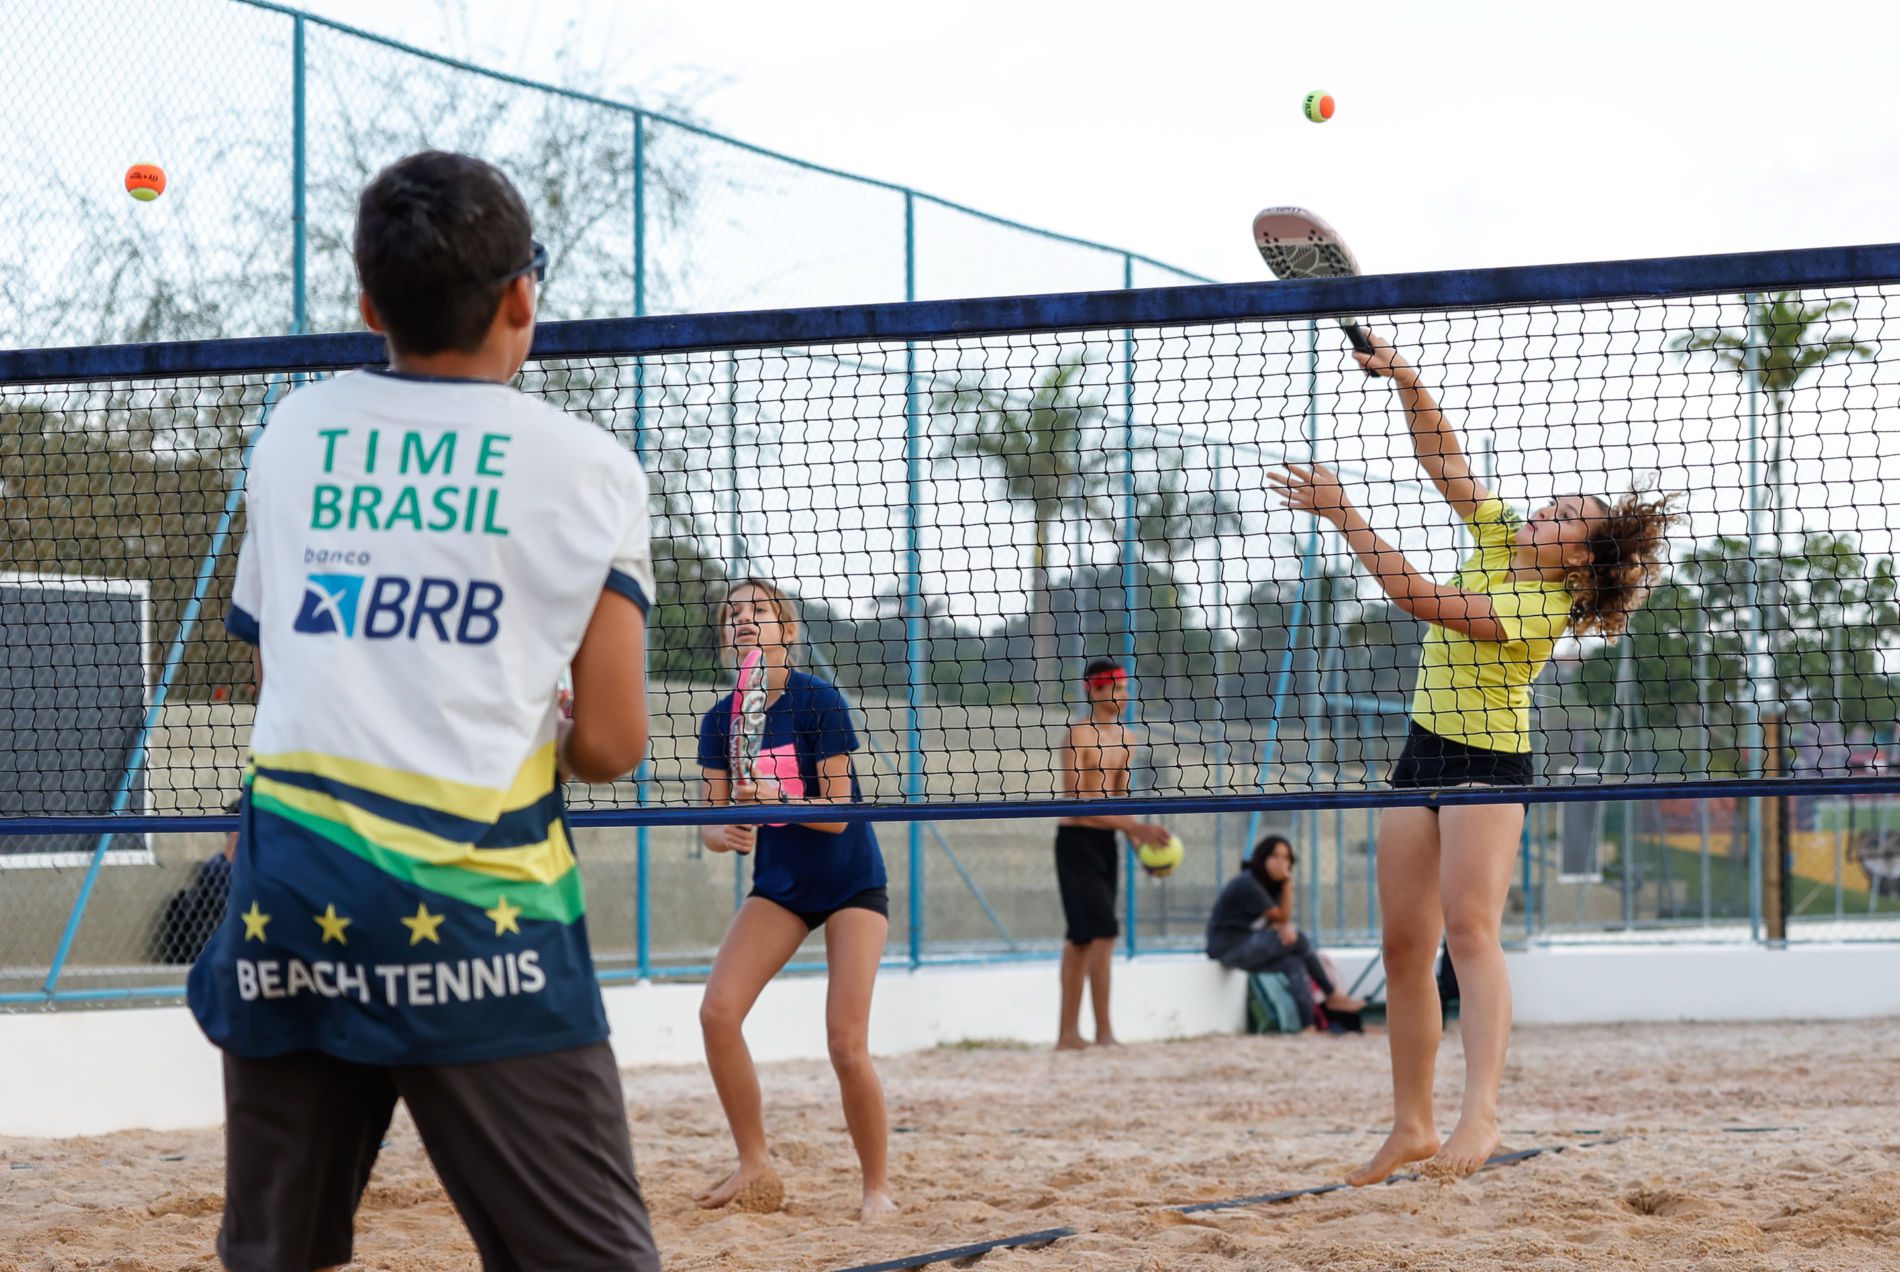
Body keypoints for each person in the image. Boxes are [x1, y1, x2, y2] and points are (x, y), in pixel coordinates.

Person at [187, 151, 661, 1270]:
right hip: (477, 923)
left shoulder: (294, 435)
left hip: (290, 903)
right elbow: (608, 745)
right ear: (521, 298)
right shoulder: (590, 468)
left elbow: (286, 675)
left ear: (366, 307)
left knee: (273, 1256)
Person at [1268, 333, 1676, 1184]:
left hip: (1488, 766)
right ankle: (1411, 1125)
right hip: (1421, 752)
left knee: (1469, 935)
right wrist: (1406, 380)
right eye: (1552, 504)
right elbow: (1445, 461)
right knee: (1404, 946)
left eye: (1566, 517)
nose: (1544, 512)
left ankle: (1478, 1113)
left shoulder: (1541, 603)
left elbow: (1420, 600)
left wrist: (1345, 515)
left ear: (1582, 560)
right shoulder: (1502, 540)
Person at [695, 578, 897, 1220]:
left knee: (845, 1043)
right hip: (781, 888)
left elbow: (837, 813)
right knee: (717, 1013)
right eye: (733, 613)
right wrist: (720, 831)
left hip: (850, 883)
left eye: (758, 610)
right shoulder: (719, 718)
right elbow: (711, 818)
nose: (744, 620)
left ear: (786, 628)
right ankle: (754, 1162)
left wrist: (770, 801)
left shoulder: (818, 703)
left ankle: (876, 1191)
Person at [1053, 658, 1171, 1050]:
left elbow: (1118, 799)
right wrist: (1133, 828)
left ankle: (1083, 1033)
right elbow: (1075, 802)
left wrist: (1141, 846)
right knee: (1097, 934)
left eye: (1125, 688)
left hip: (1107, 842)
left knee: (1087, 938)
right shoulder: (1077, 735)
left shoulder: (1128, 738)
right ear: (1094, 689)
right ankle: (1088, 1033)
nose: (1123, 695)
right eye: (1116, 689)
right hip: (1076, 844)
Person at [1205, 834, 1365, 1030]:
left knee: (1294, 963)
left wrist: (1285, 928)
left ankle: (1308, 1026)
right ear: (1262, 858)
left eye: (1287, 857)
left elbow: (1278, 922)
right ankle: (1331, 994)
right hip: (1228, 947)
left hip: (1248, 945)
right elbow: (1280, 917)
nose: (1282, 862)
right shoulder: (1249, 883)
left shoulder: (1270, 886)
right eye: (1276, 856)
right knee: (1299, 939)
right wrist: (1288, 883)